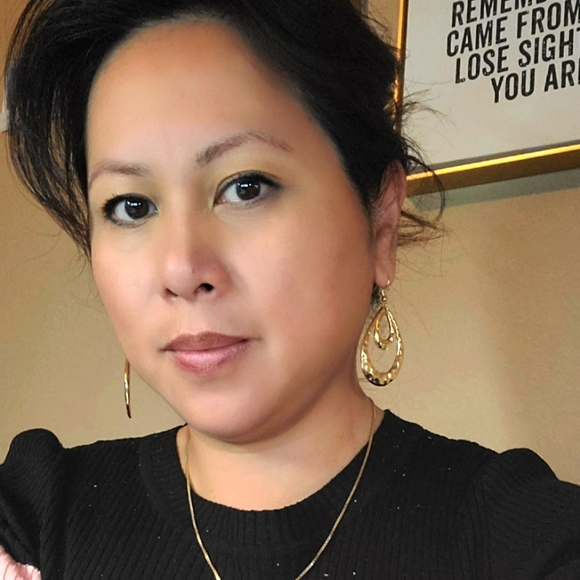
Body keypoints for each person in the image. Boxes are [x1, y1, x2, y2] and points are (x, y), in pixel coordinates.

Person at [1, 0, 579, 578]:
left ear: (380, 221)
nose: (180, 269)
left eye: (246, 187)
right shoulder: (36, 517)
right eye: (132, 206)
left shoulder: (519, 537)